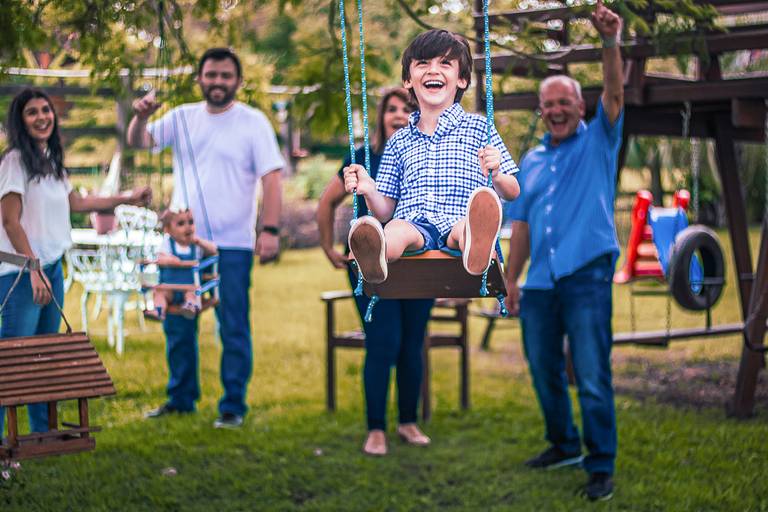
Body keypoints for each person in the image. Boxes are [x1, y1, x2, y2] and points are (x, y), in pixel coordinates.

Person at [503, 0, 624, 502]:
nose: (555, 110)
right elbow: (522, 225)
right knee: (542, 367)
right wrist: (511, 279)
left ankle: (600, 465)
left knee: (591, 373)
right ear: (541, 110)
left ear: (580, 107)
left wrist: (610, 41)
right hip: (540, 282)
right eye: (548, 104)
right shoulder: (530, 161)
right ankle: (564, 444)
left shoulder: (600, 140)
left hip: (586, 274)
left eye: (564, 103)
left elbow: (614, 92)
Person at [127, 47, 284, 429]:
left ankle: (233, 405)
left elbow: (272, 179)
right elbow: (139, 141)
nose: (218, 82)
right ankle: (181, 398)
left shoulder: (253, 122)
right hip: (182, 244)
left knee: (232, 324)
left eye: (225, 75)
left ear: (238, 81)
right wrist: (140, 116)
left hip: (233, 244)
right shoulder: (182, 117)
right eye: (211, 74)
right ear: (200, 78)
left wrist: (270, 230)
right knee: (179, 322)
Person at [0, 88, 151, 438]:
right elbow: (9, 221)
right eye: (32, 112)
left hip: (52, 268)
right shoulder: (14, 162)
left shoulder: (50, 160)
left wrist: (127, 198)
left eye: (46, 110)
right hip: (22, 274)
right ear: (20, 121)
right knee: (11, 364)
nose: (42, 117)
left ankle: (42, 437)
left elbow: (77, 204)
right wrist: (33, 269)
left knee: (43, 357)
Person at [343, 30, 520, 289]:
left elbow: (513, 191)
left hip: (459, 219)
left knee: (466, 229)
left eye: (445, 63)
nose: (433, 70)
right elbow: (386, 210)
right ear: (408, 79)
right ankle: (375, 255)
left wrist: (498, 174)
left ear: (461, 79)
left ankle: (477, 250)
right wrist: (369, 190)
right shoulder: (398, 140)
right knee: (394, 229)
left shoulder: (479, 129)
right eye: (423, 63)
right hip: (413, 224)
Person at [318, 88, 436, 456]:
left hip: (418, 262)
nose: (399, 115)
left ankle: (407, 422)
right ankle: (375, 429)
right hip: (370, 263)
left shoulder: (429, 155)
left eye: (407, 109)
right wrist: (328, 247)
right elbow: (327, 202)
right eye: (392, 109)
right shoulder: (363, 158)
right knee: (384, 342)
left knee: (412, 343)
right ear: (381, 116)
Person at [152, 207, 218, 320]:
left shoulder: (196, 246)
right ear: (168, 229)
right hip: (170, 288)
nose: (188, 227)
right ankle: (158, 310)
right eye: (181, 223)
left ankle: (189, 306)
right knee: (159, 293)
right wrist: (170, 260)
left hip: (189, 287)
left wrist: (199, 241)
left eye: (191, 222)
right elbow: (159, 258)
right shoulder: (167, 244)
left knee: (192, 294)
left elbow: (214, 250)